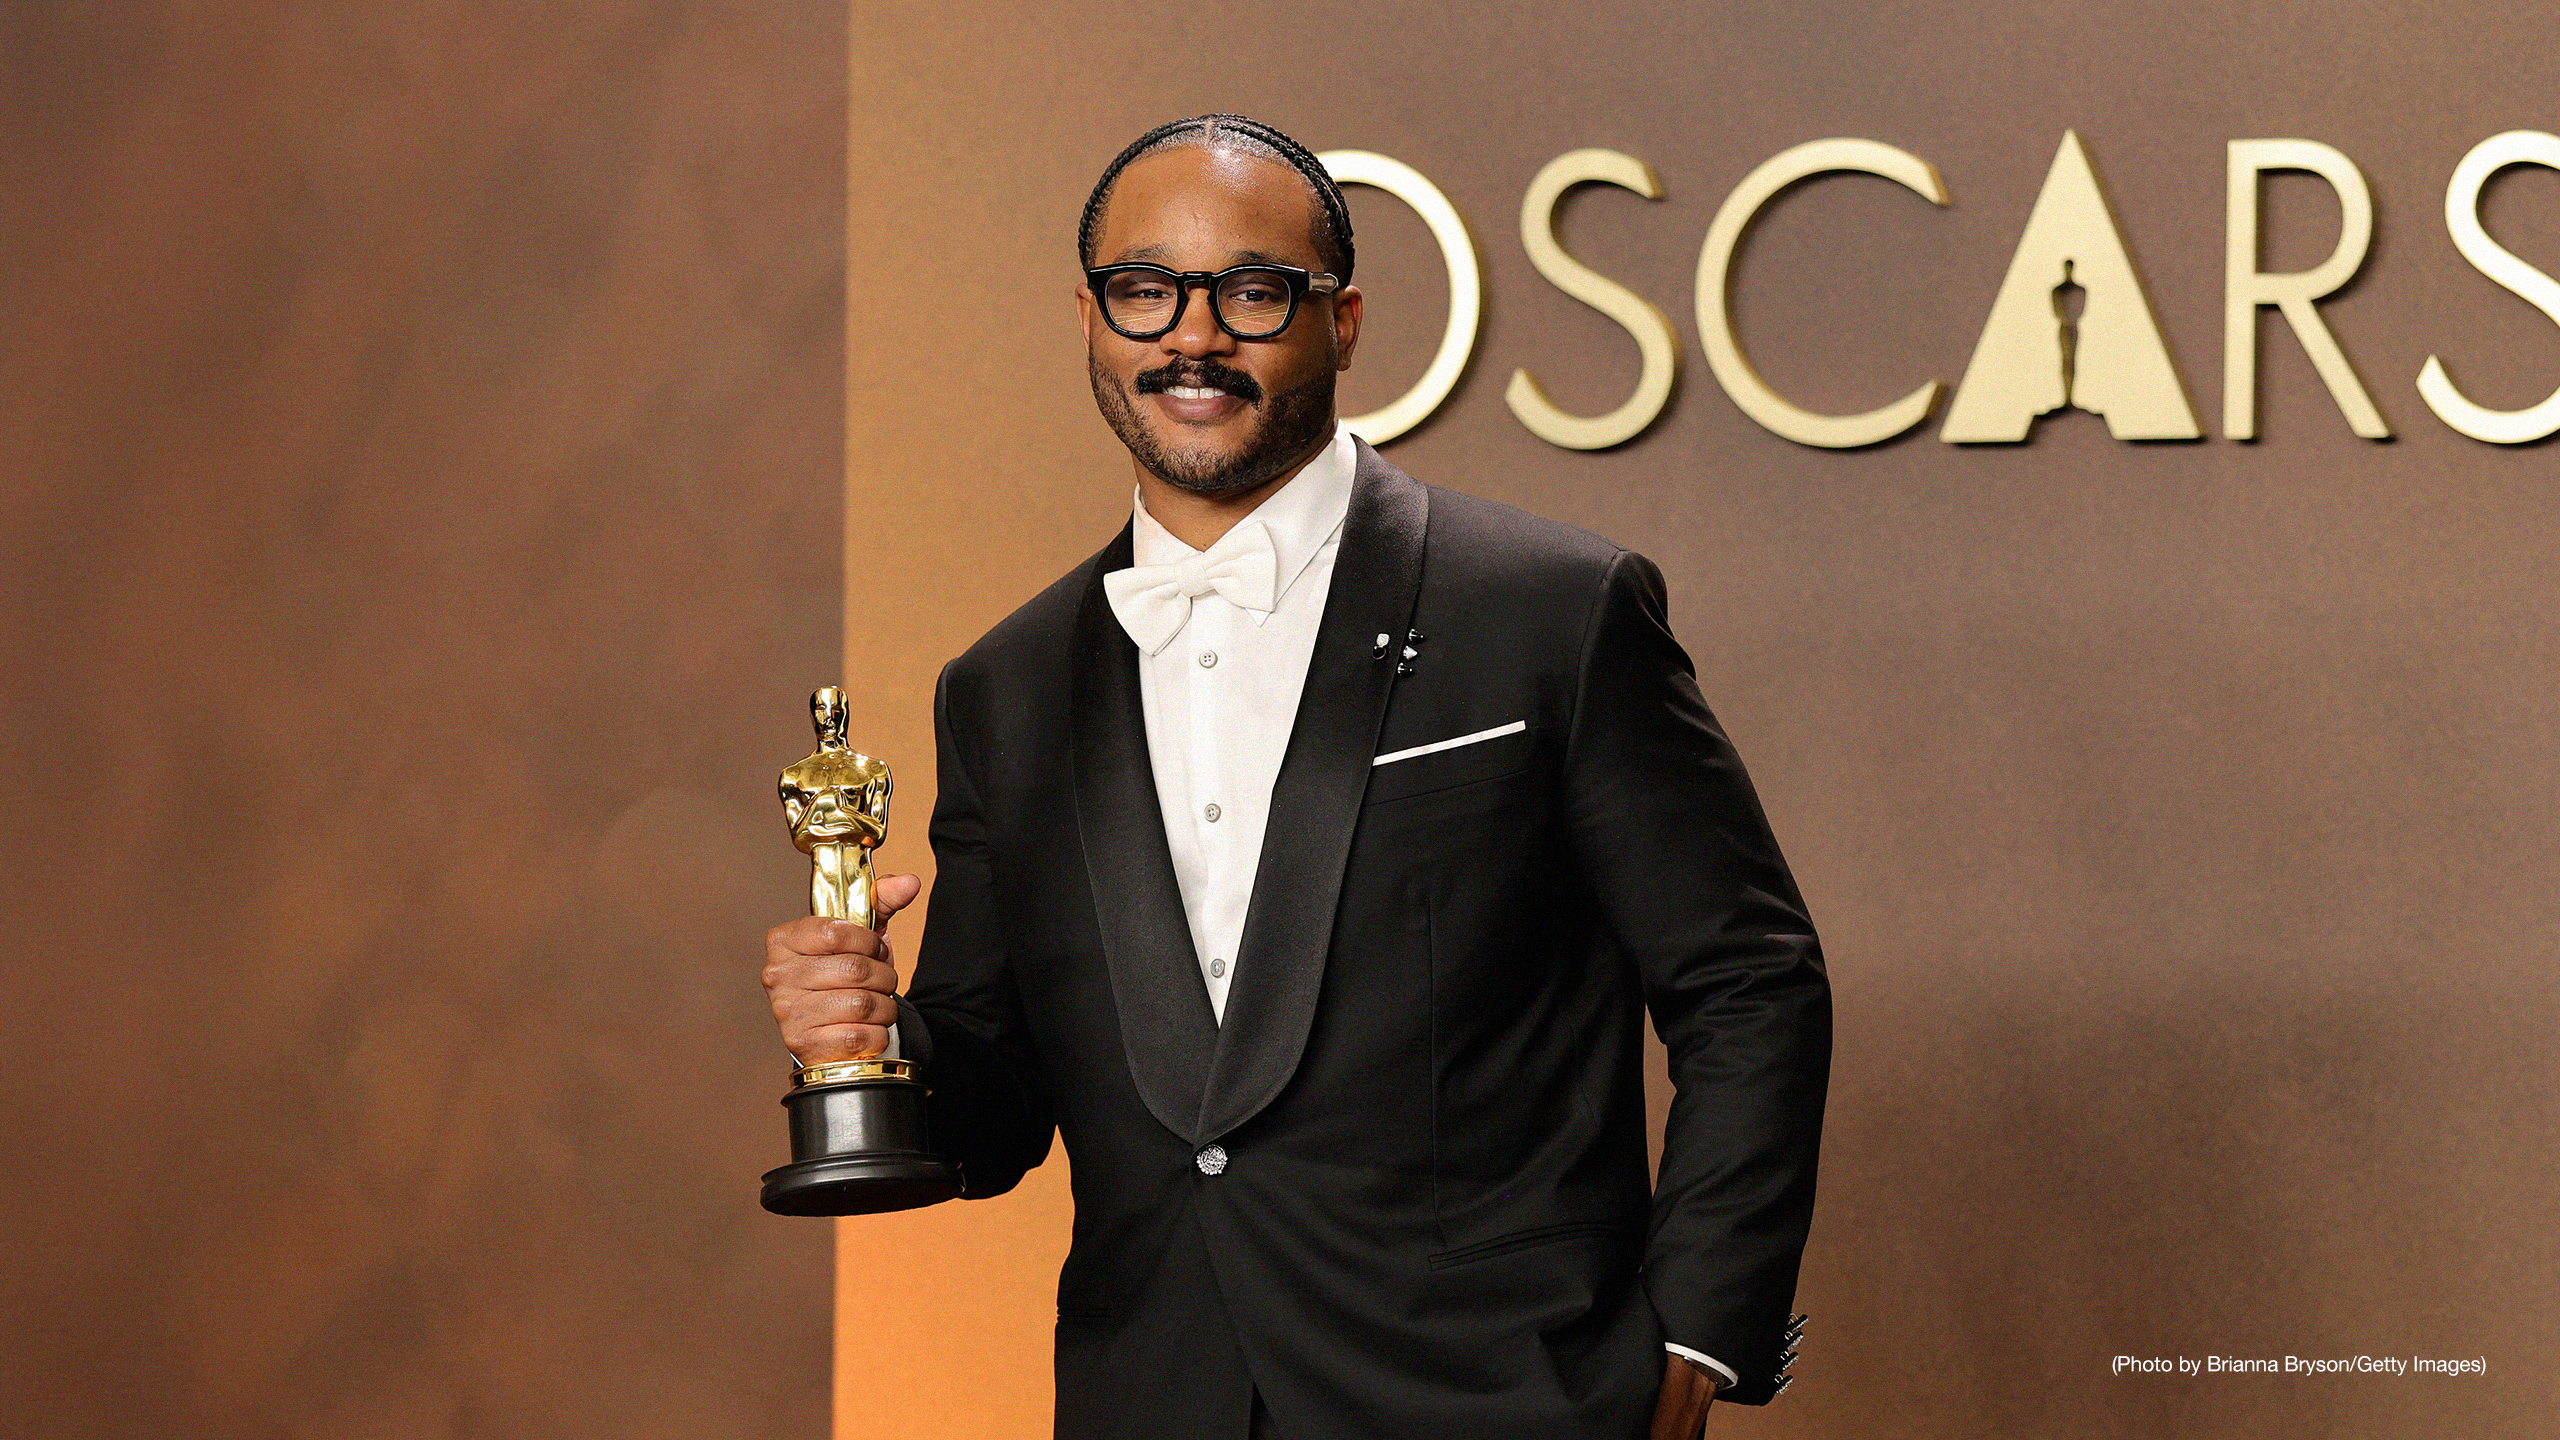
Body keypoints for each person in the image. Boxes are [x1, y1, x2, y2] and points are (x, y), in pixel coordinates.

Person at [762, 114, 1830, 1440]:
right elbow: (996, 1109)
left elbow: (1750, 983)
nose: (1191, 336)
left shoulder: (1554, 612)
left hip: (1508, 1405)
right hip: (1154, 1402)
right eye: (1143, 290)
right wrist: (874, 1045)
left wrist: (1692, 1344)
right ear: (1092, 319)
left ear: (1345, 321)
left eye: (1252, 291)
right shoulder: (1006, 687)